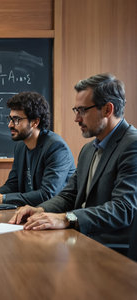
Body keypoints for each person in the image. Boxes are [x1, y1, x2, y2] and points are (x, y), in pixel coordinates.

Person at [9, 73, 137, 246]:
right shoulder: (88, 149)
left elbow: (123, 209)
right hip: (82, 238)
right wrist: (40, 209)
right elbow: (70, 195)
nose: (77, 118)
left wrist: (67, 218)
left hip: (112, 248)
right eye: (76, 110)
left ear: (108, 109)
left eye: (82, 110)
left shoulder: (132, 145)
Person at [0, 92, 75, 206]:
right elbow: (13, 184)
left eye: (16, 119)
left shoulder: (56, 148)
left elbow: (47, 195)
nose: (10, 125)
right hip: (30, 212)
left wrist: (1, 198)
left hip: (56, 215)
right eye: (10, 119)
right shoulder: (21, 146)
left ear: (35, 122)